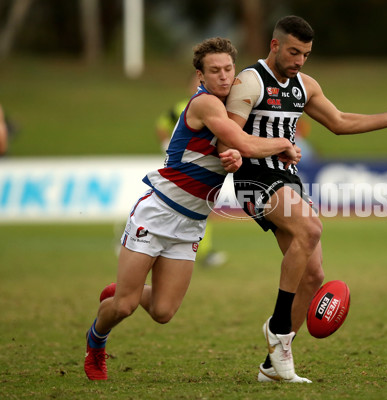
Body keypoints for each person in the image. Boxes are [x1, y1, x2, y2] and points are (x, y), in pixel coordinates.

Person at [224, 15, 387, 383]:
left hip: (287, 177)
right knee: (311, 228)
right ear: (274, 45)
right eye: (293, 52)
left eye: (305, 54)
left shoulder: (304, 85)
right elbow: (228, 136)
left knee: (313, 274)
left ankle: (273, 365)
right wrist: (268, 148)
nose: (299, 61)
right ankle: (277, 328)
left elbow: (338, 122)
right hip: (253, 178)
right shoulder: (249, 82)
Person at [84, 37, 300, 381]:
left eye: (229, 69)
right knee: (123, 307)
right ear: (200, 76)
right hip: (157, 212)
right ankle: (96, 341)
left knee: (163, 312)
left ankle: (130, 289)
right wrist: (283, 144)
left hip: (191, 224)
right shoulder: (205, 105)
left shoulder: (235, 107)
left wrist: (234, 159)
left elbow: (235, 148)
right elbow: (242, 140)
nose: (224, 77)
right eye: (214, 71)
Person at [155, 76, 228, 268]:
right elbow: (161, 126)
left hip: (204, 169)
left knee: (204, 210)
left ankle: (201, 252)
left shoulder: (218, 108)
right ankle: (143, 240)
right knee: (171, 206)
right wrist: (166, 145)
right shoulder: (182, 108)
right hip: (182, 167)